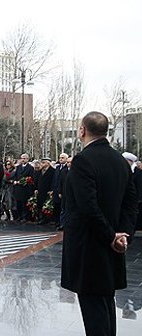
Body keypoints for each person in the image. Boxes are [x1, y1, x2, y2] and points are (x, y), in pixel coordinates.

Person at [61, 111, 138, 336]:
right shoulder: (120, 161)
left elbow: (87, 207)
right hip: (113, 245)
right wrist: (123, 234)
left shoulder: (83, 161)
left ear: (83, 130)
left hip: (90, 245)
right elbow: (131, 203)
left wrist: (110, 236)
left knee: (93, 308)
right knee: (105, 302)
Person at [123, 152, 142, 231]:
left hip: (137, 204)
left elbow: (140, 188)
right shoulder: (126, 171)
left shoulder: (138, 173)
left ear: (129, 161)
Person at [13, 153, 35, 222]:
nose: (23, 160)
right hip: (18, 189)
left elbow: (31, 178)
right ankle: (20, 216)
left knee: (24, 204)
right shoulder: (18, 167)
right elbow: (15, 176)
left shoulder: (30, 168)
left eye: (24, 158)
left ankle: (25, 217)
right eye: (22, 158)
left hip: (25, 189)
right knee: (18, 203)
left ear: (27, 159)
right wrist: (15, 181)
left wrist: (24, 181)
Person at [52, 153, 69, 226]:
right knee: (56, 206)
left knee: (62, 207)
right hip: (56, 190)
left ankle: (61, 223)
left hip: (63, 191)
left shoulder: (67, 168)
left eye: (62, 158)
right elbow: (55, 179)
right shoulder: (58, 167)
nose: (61, 159)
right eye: (60, 158)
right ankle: (57, 221)